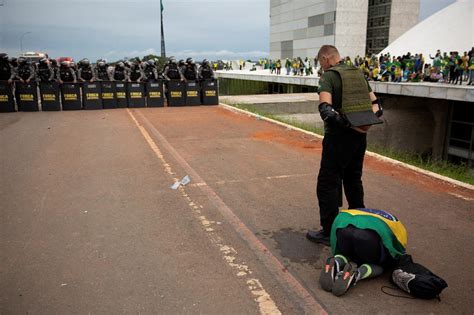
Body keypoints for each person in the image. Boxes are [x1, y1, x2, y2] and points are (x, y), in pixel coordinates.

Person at [306, 45, 383, 246]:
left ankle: (329, 231)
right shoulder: (358, 73)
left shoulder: (329, 77)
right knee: (353, 179)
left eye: (320, 62)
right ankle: (360, 223)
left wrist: (347, 124)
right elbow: (377, 106)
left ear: (325, 57)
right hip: (359, 139)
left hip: (338, 138)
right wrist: (362, 126)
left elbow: (326, 110)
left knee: (328, 183)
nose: (321, 66)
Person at [319, 208, 407, 296]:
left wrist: (337, 252)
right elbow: (397, 250)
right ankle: (358, 273)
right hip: (368, 238)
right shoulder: (396, 226)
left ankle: (336, 262)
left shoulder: (355, 211)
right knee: (381, 265)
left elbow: (334, 237)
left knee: (346, 253)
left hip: (343, 228)